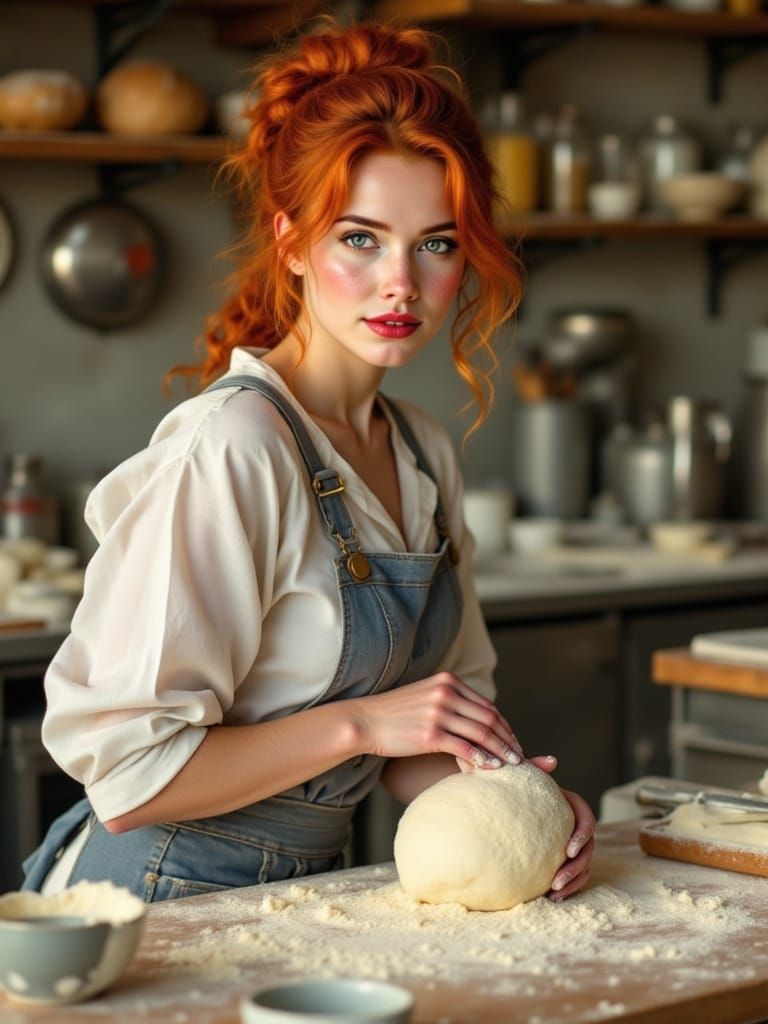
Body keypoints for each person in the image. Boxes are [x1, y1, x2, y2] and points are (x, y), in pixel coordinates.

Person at [22, 19, 594, 903]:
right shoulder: (236, 447)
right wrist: (361, 721)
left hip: (300, 902)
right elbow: (131, 779)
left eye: (435, 243)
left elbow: (427, 743)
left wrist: (529, 811)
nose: (400, 281)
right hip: (151, 904)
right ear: (292, 243)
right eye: (359, 238)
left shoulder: (423, 453)